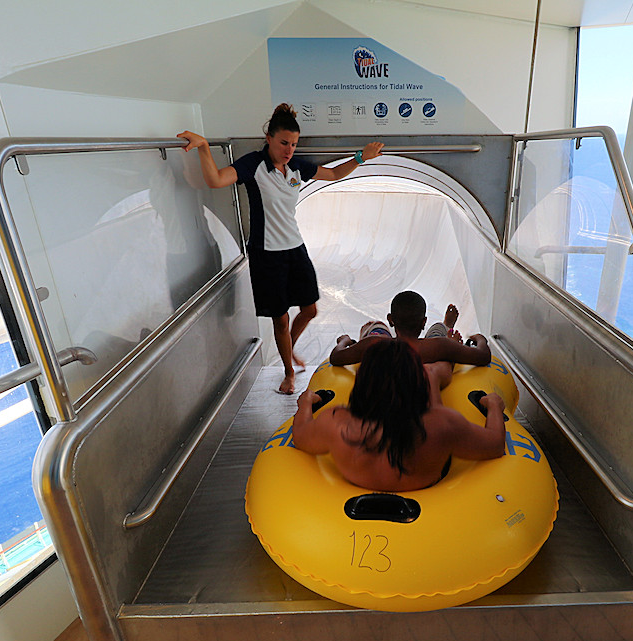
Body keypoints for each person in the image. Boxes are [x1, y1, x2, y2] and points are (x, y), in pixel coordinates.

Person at [179, 104, 385, 394]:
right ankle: (289, 372)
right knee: (281, 319)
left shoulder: (296, 166)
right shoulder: (253, 165)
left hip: (295, 248)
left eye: (294, 144)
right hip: (266, 254)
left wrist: (362, 157)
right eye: (284, 143)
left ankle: (289, 347)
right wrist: (202, 147)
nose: (289, 149)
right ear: (269, 138)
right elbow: (215, 180)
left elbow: (335, 174)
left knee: (310, 309)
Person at [292, 338, 506, 492]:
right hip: (426, 481)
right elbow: (495, 444)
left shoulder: (336, 422)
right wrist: (494, 405)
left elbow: (300, 436)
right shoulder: (443, 423)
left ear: (361, 383)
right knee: (432, 377)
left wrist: (306, 404)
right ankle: (433, 370)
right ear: (415, 381)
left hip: (359, 483)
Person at [329, 291, 491, 368]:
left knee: (376, 327)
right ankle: (445, 326)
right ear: (423, 323)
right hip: (431, 347)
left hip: (381, 344)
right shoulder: (440, 346)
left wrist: (344, 340)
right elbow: (483, 356)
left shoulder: (373, 344)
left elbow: (336, 357)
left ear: (391, 320)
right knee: (437, 330)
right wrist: (479, 338)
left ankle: (375, 328)